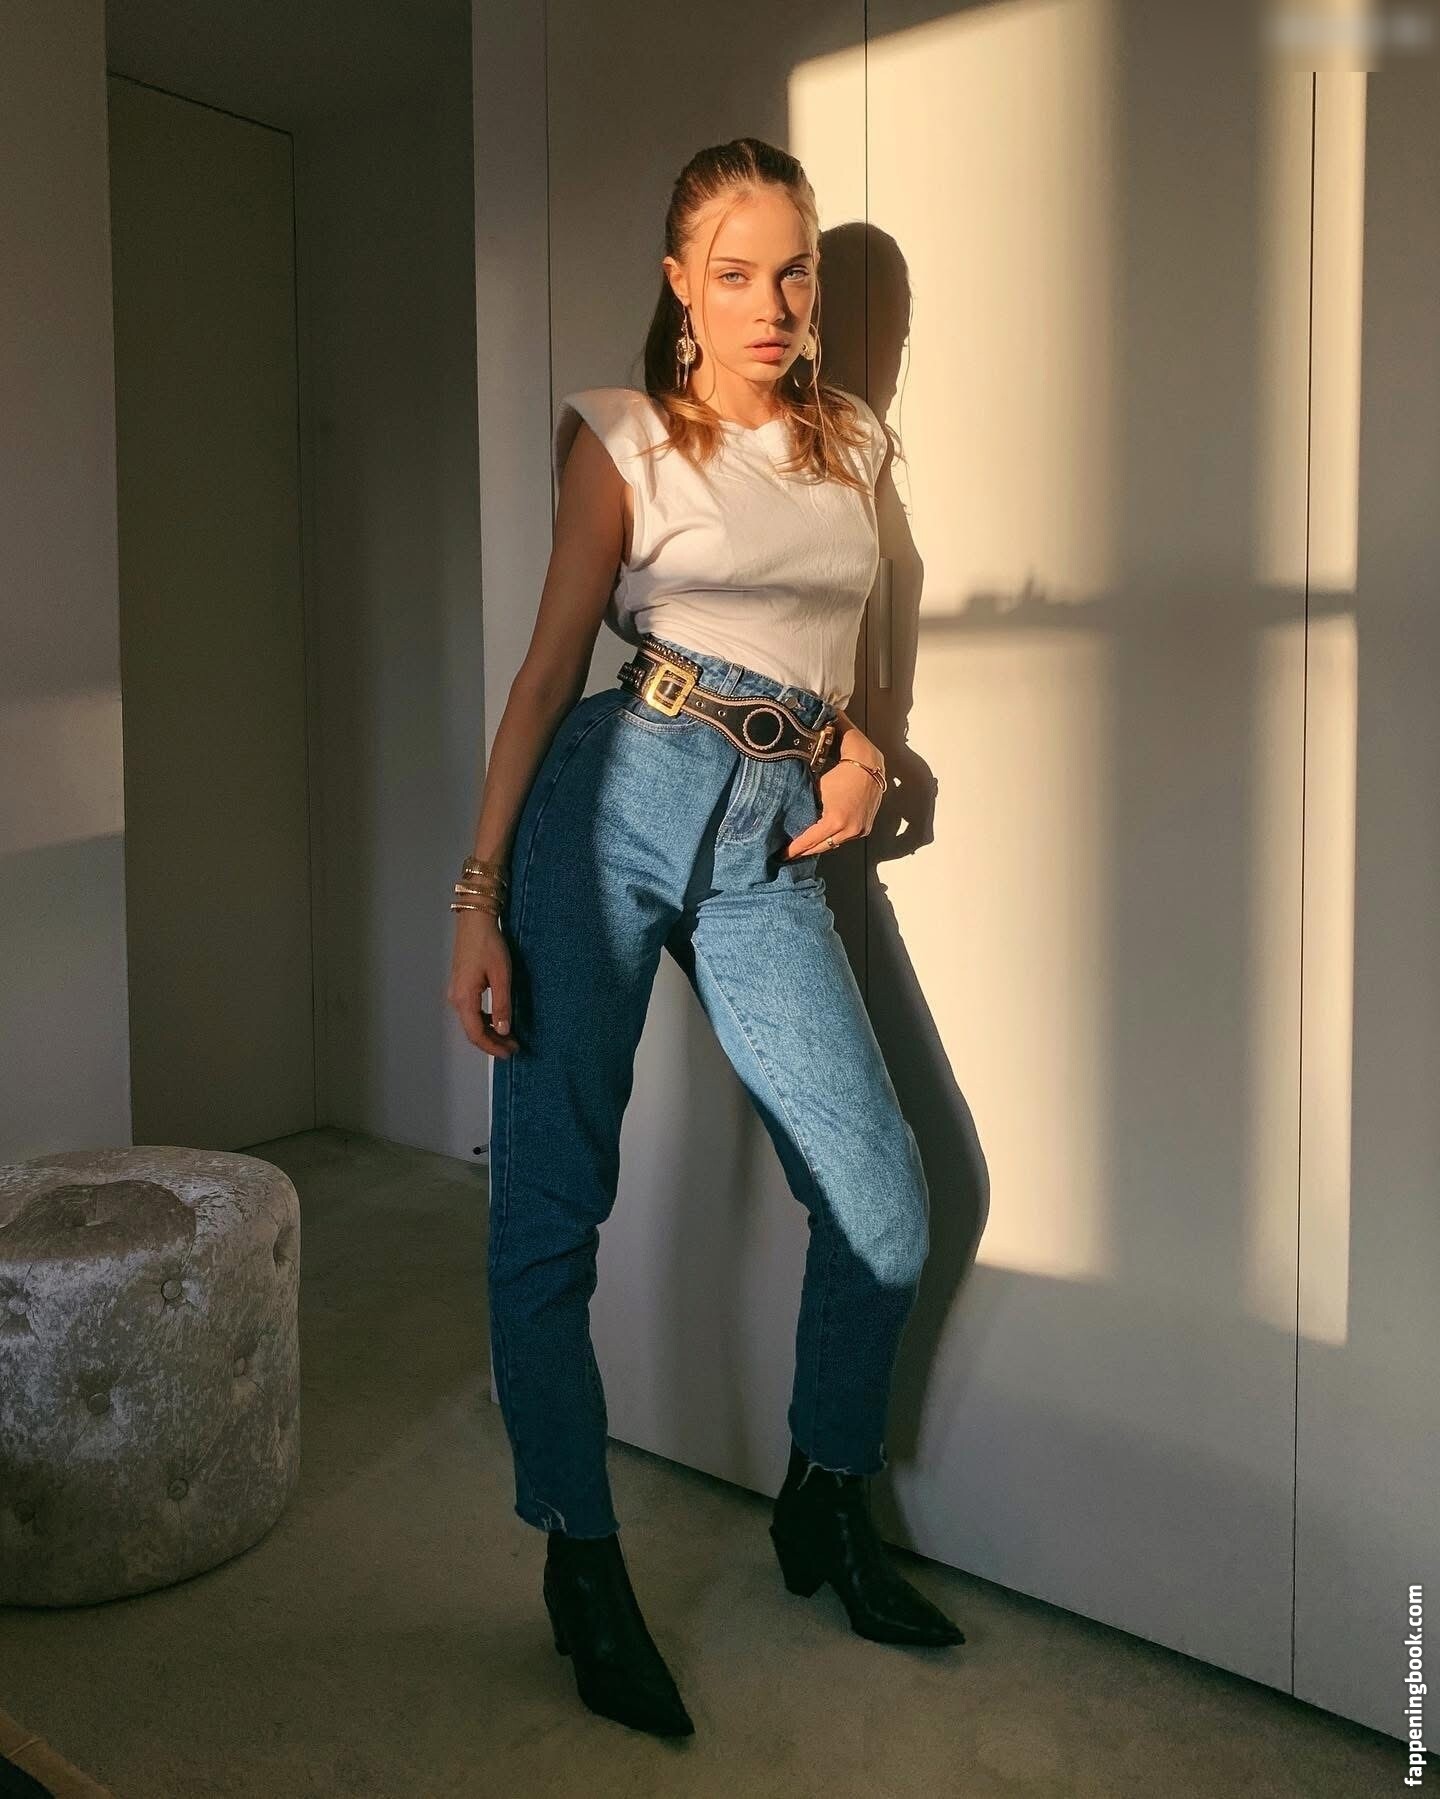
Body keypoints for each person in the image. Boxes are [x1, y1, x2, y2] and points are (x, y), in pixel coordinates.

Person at [447, 137, 964, 1739]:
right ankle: (580, 1559)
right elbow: (548, 672)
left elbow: (863, 638)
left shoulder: (852, 442)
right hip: (616, 795)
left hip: (770, 841)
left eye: (794, 270)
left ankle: (823, 1498)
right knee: (554, 1206)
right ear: (681, 283)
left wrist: (867, 749)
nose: (774, 303)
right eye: (735, 273)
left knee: (883, 1197)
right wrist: (477, 897)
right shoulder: (621, 436)